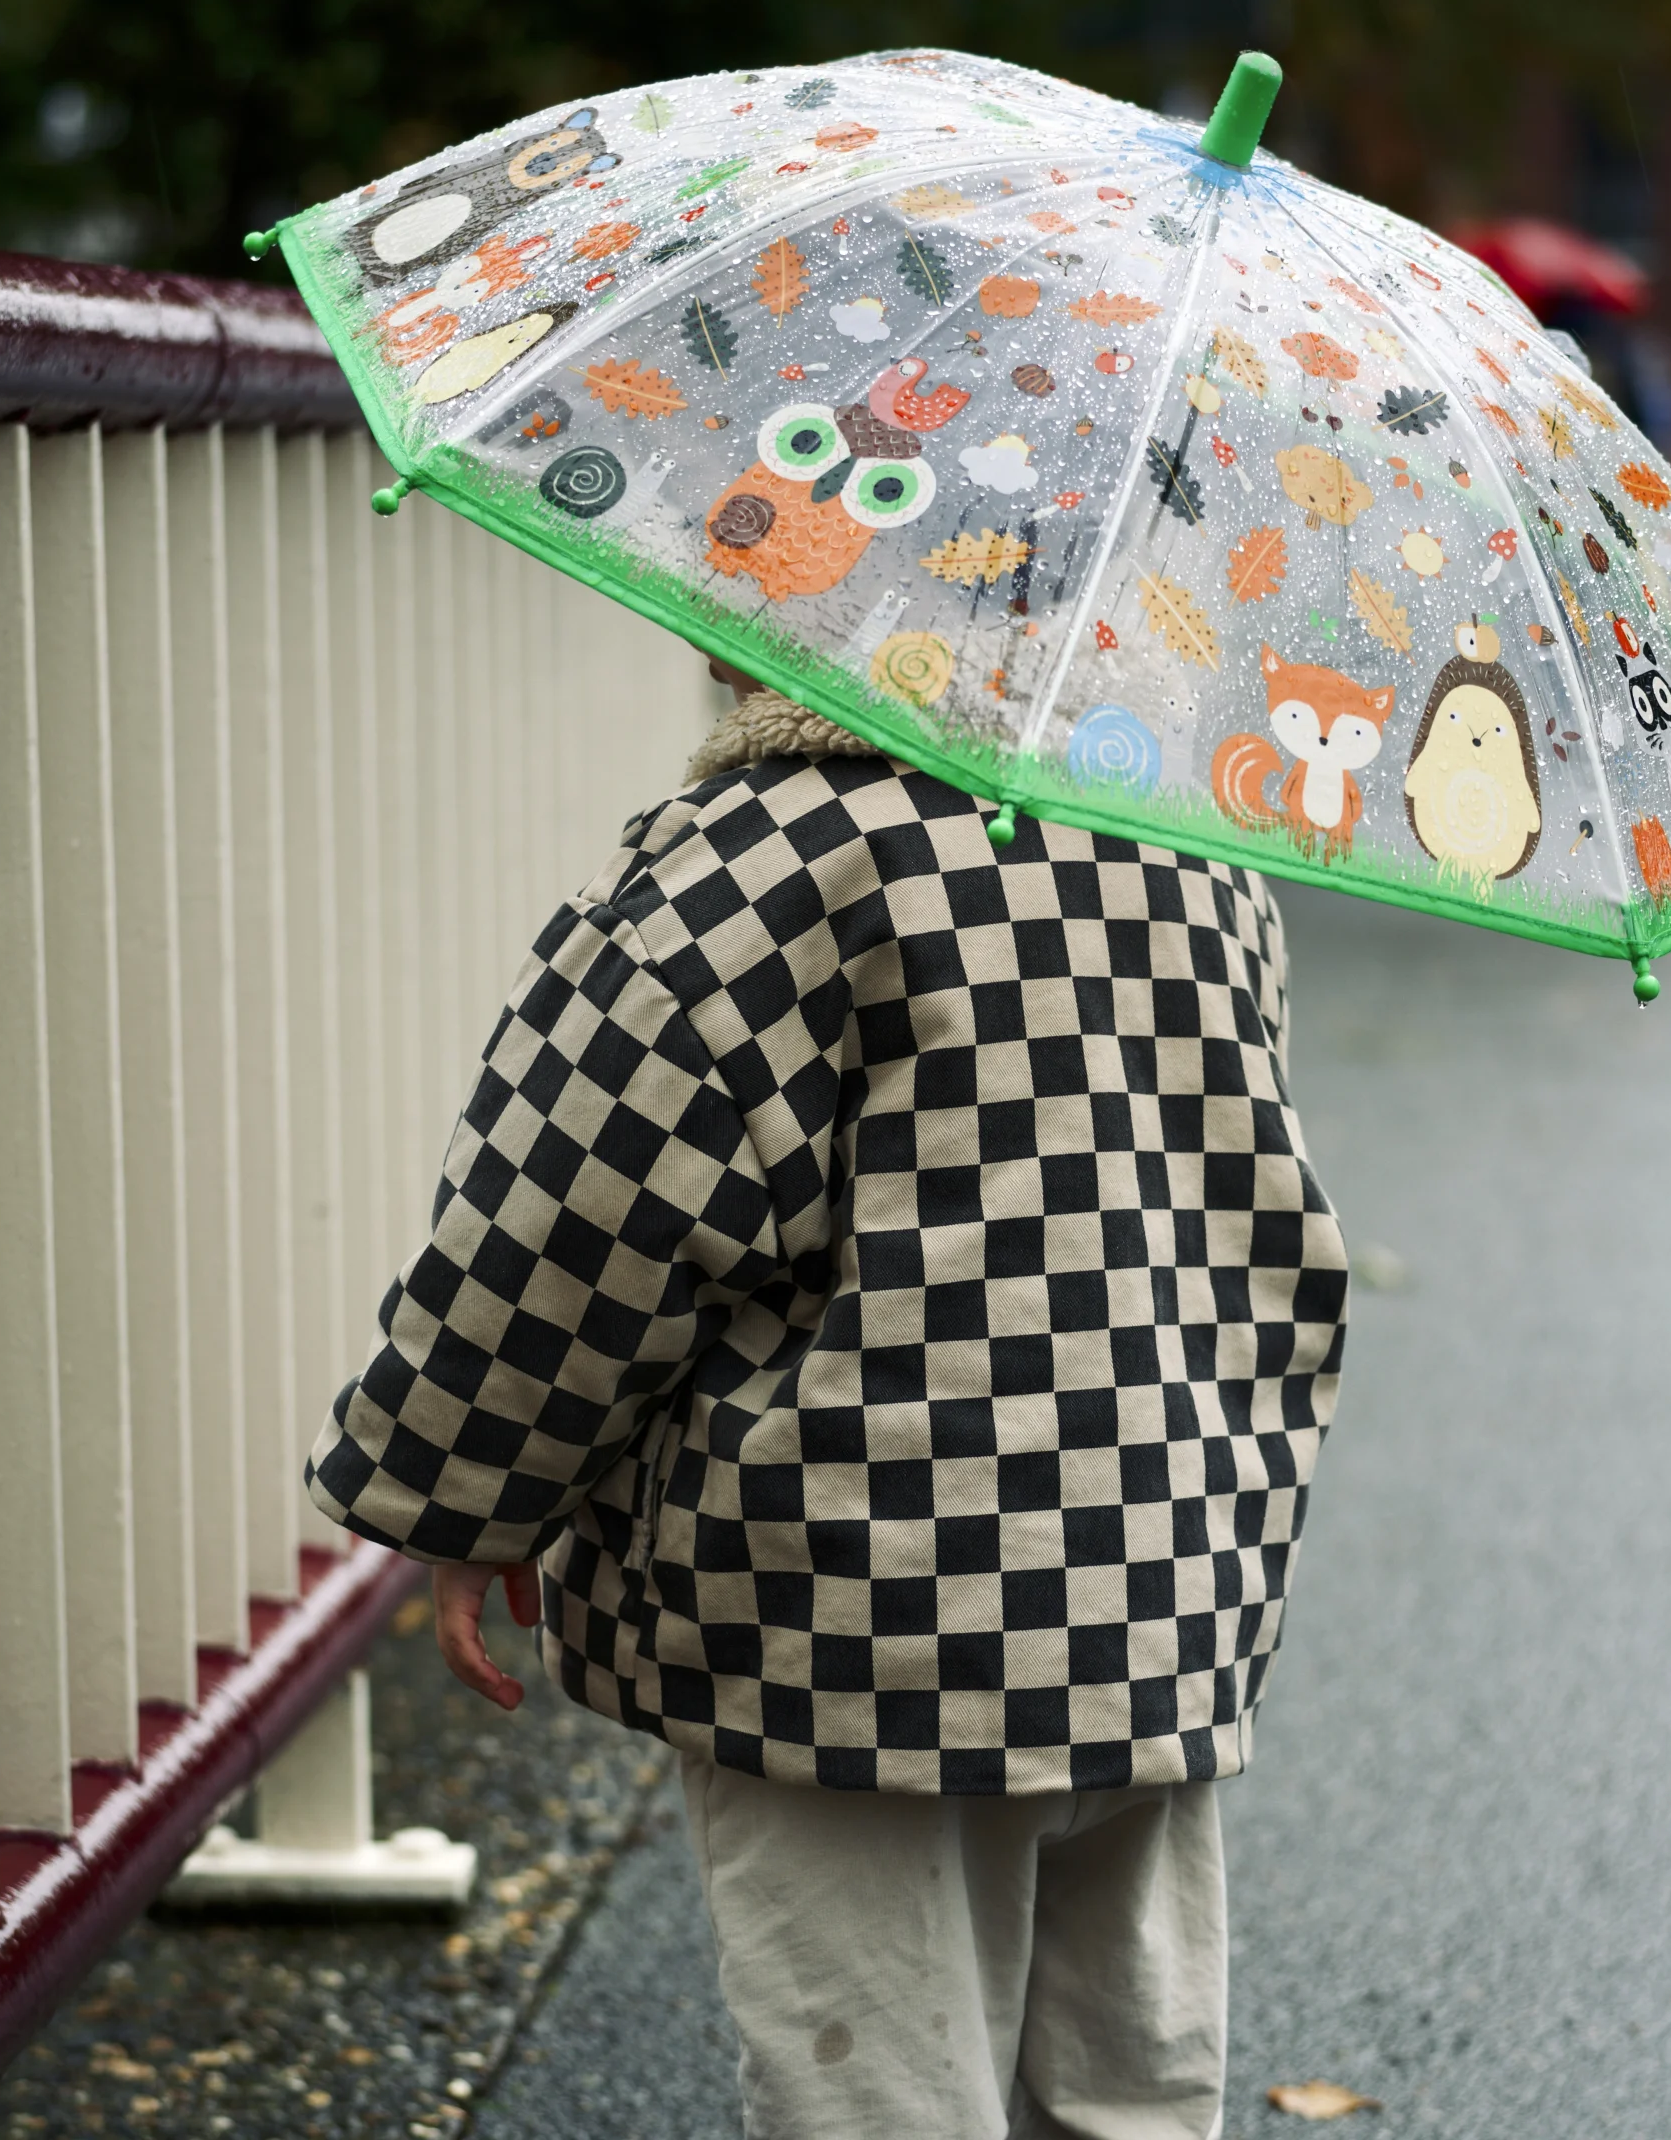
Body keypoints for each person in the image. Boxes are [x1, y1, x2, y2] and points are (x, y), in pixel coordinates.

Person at [307, 654, 1350, 2138]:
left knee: (878, 2070)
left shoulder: (766, 856)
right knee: (1125, 2065)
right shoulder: (1190, 847)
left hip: (857, 1597)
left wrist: (465, 1487)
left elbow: (581, 1208)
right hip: (1154, 1567)